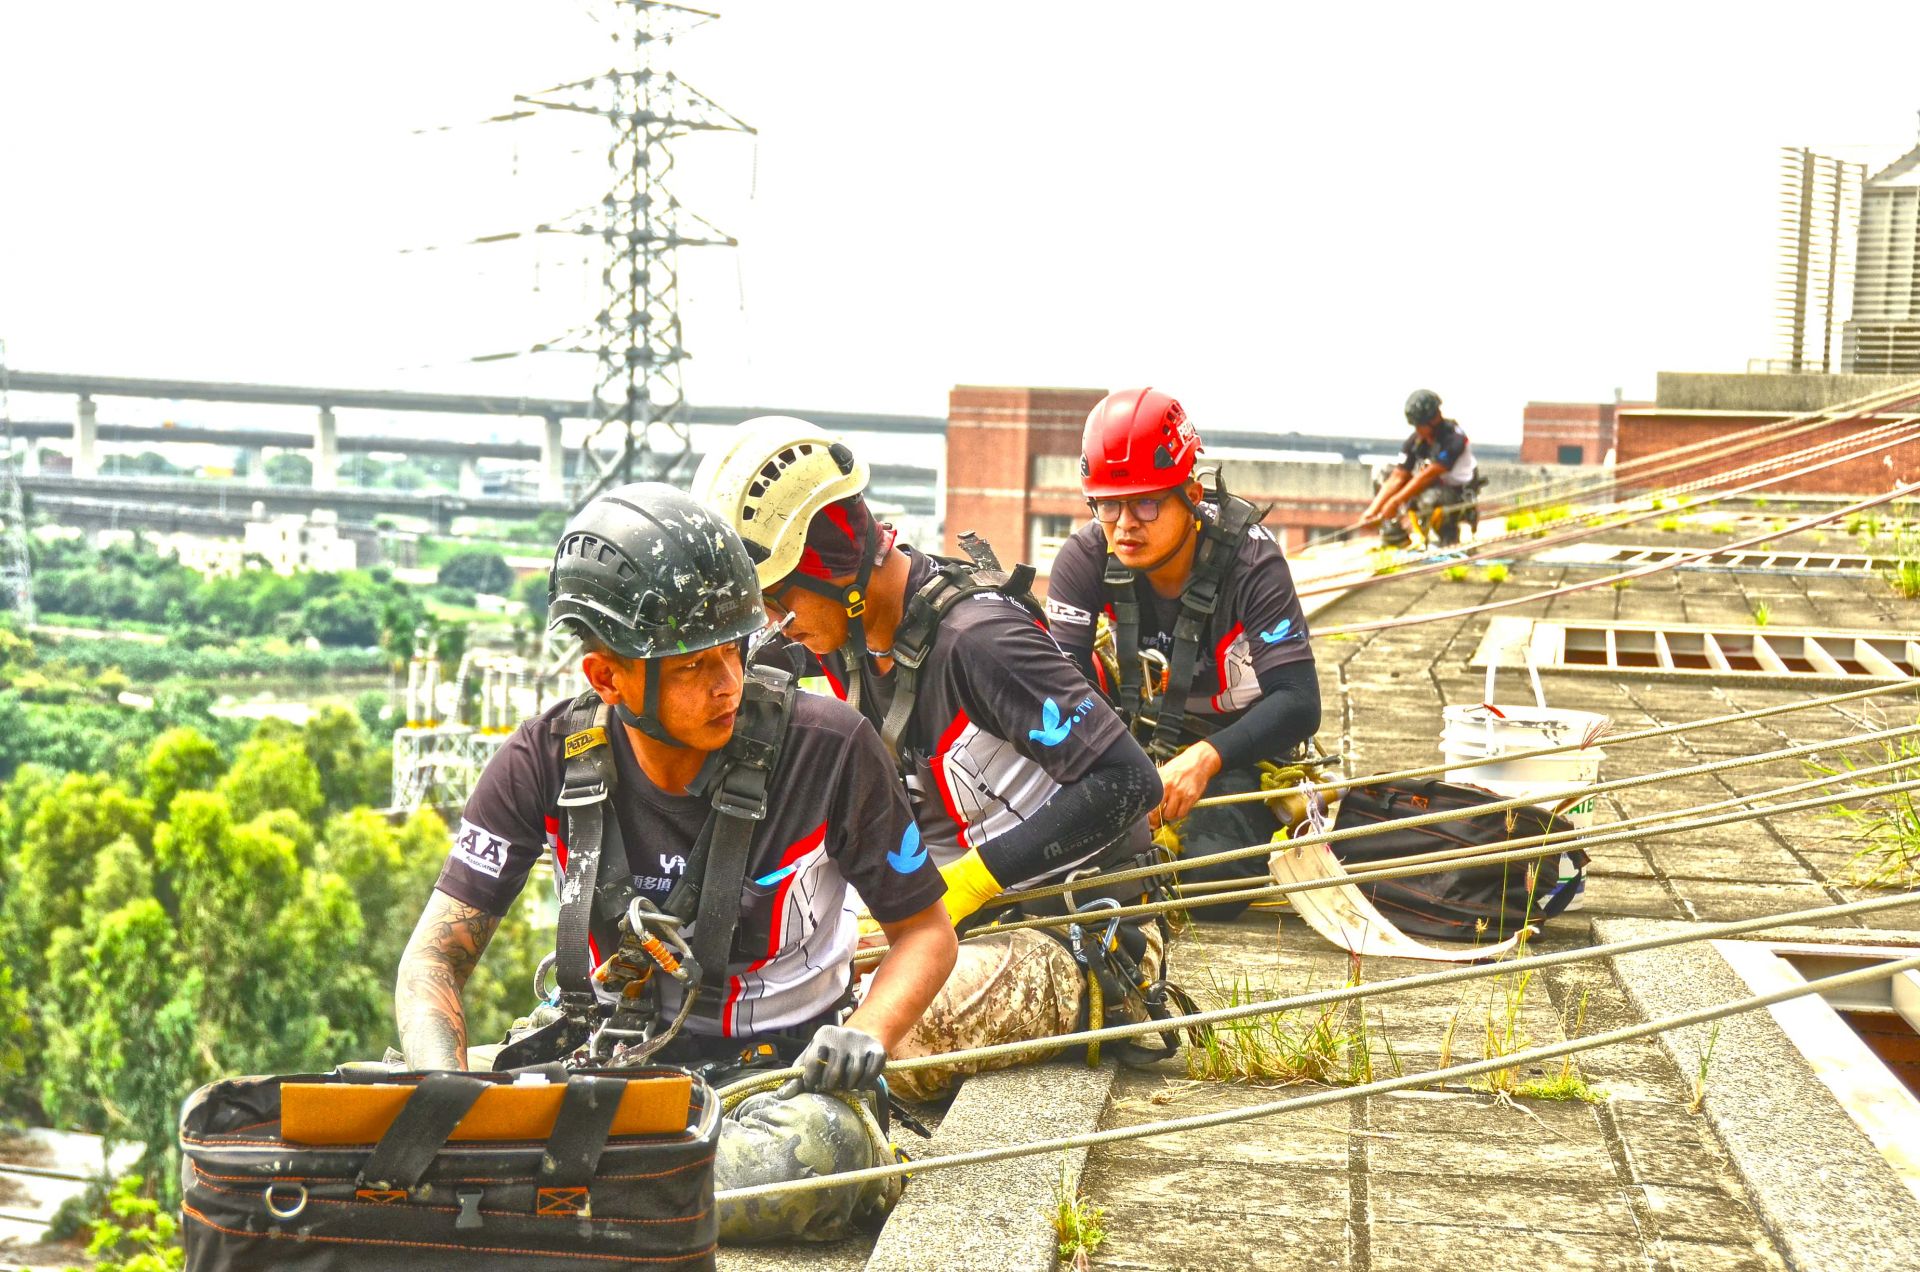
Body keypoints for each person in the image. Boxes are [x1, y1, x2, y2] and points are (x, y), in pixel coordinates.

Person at [393, 483, 958, 1244]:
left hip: (777, 1083)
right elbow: (435, 957)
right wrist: (444, 1092)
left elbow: (927, 933)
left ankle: (556, 1200)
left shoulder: (829, 748)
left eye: (736, 649)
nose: (728, 683)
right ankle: (586, 1193)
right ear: (607, 677)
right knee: (389, 1110)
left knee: (819, 1159)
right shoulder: (544, 758)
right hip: (603, 1065)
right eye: (693, 666)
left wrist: (870, 1032)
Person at [691, 416, 1169, 1100]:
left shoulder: (979, 643)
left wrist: (977, 877)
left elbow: (1128, 780)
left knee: (885, 1038)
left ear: (832, 566)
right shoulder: (840, 634)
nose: (777, 621)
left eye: (779, 598)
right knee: (774, 999)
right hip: (946, 927)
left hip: (1073, 933)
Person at [1044, 387, 1322, 920]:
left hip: (1234, 749)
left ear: (1191, 493)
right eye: (1107, 503)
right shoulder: (1085, 558)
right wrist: (1121, 779)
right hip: (1127, 737)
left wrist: (1205, 758)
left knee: (1212, 883)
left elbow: (1299, 701)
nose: (1125, 524)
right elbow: (1061, 692)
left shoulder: (1252, 562)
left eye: (1146, 502)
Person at [1361, 389, 1482, 548]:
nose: (1417, 430)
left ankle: (1445, 536)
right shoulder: (1418, 440)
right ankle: (1394, 534)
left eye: (1420, 425)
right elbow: (1398, 476)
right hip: (1429, 486)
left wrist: (1395, 502)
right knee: (1382, 472)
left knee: (1430, 498)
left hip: (1453, 493)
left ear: (1434, 418)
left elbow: (1428, 476)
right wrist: (1373, 510)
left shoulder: (1455, 438)